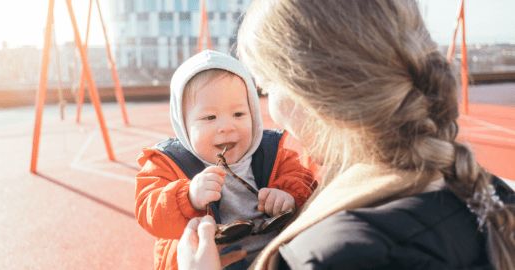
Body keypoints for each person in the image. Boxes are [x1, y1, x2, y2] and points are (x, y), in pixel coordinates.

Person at [177, 0, 515, 269]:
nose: (270, 110)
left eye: (267, 87)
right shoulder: (491, 192)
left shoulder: (331, 254)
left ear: (310, 93)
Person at [135, 50, 317, 270]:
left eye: (239, 114)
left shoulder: (272, 152)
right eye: (209, 117)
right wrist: (188, 196)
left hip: (275, 256)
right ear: (183, 124)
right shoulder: (168, 162)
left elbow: (306, 181)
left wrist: (290, 197)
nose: (226, 127)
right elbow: (148, 211)